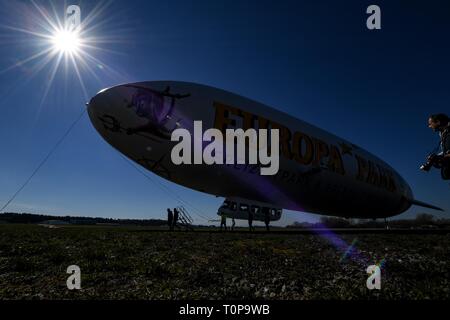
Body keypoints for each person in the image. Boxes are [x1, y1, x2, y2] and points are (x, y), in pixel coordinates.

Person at [426, 114, 450, 180]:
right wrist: (434, 158)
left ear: (438, 122)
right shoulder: (443, 134)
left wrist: (440, 158)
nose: (429, 126)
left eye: (430, 124)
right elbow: (447, 152)